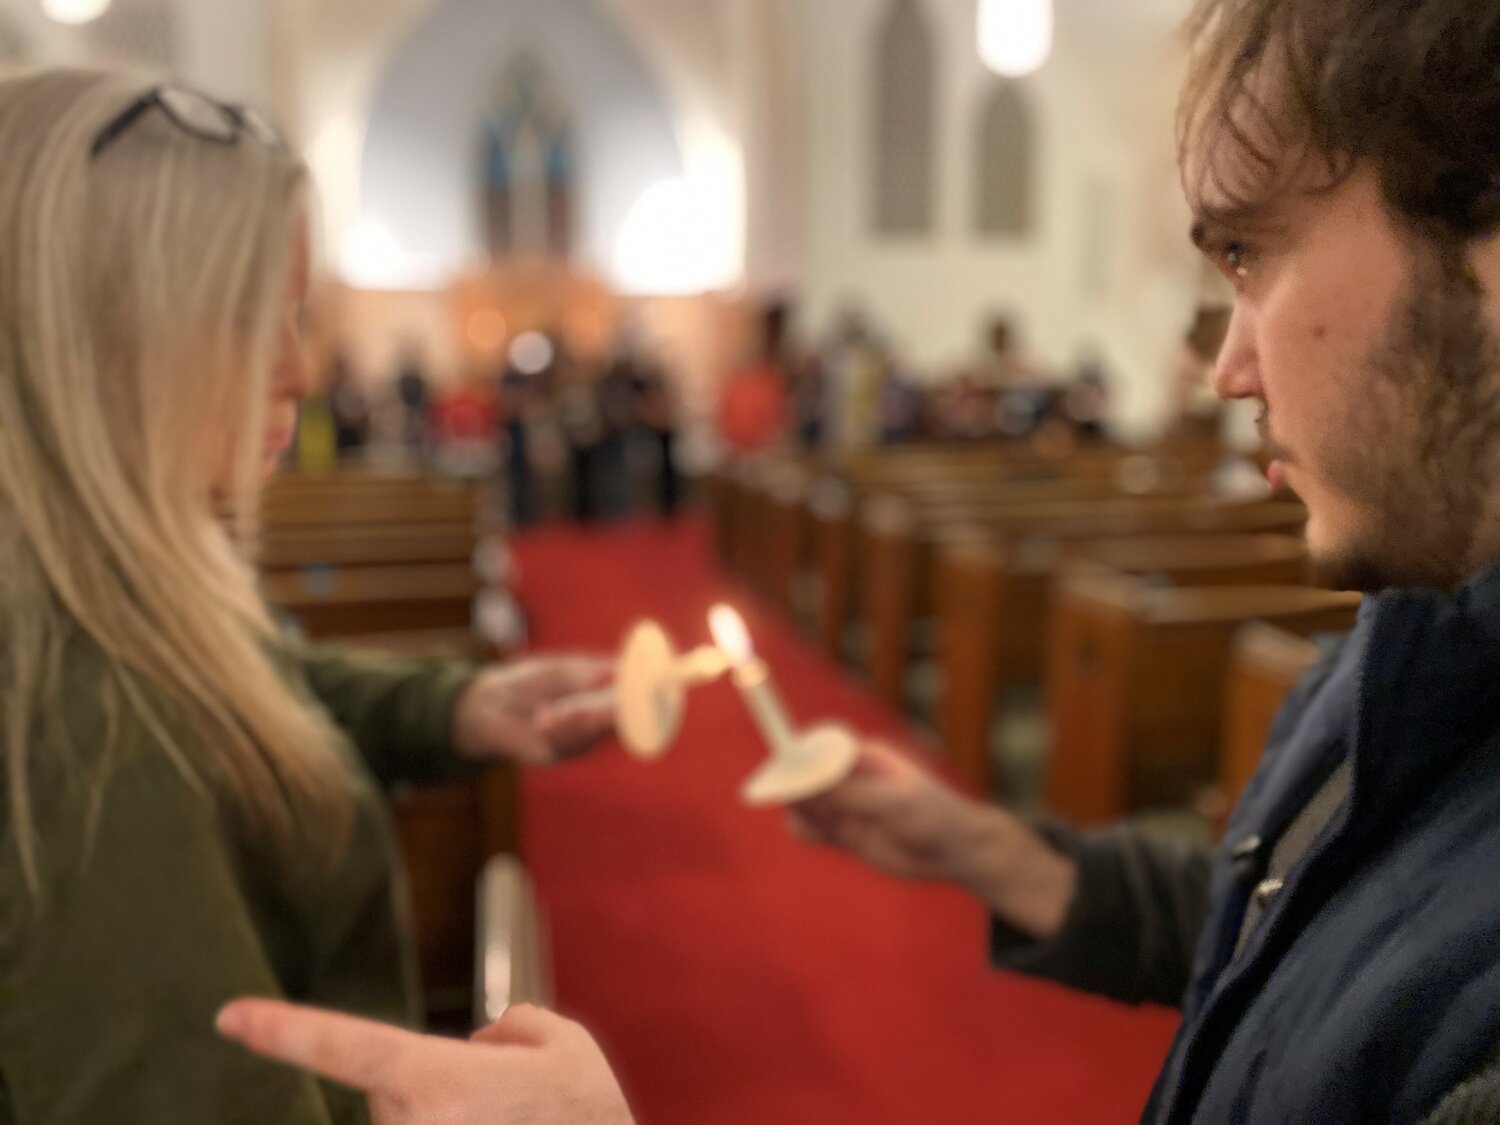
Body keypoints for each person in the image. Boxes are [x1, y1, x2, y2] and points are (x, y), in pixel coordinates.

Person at [223, 0, 1500, 1121]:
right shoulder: (1400, 638)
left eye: (1252, 254)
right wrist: (979, 848)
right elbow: (1267, 927)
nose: (1224, 366)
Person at [0, 70, 615, 1123]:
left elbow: (257, 676)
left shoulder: (109, 575)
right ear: (94, 339)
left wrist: (453, 707)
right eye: (248, 318)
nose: (297, 368)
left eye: (297, 313)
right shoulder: (81, 726)